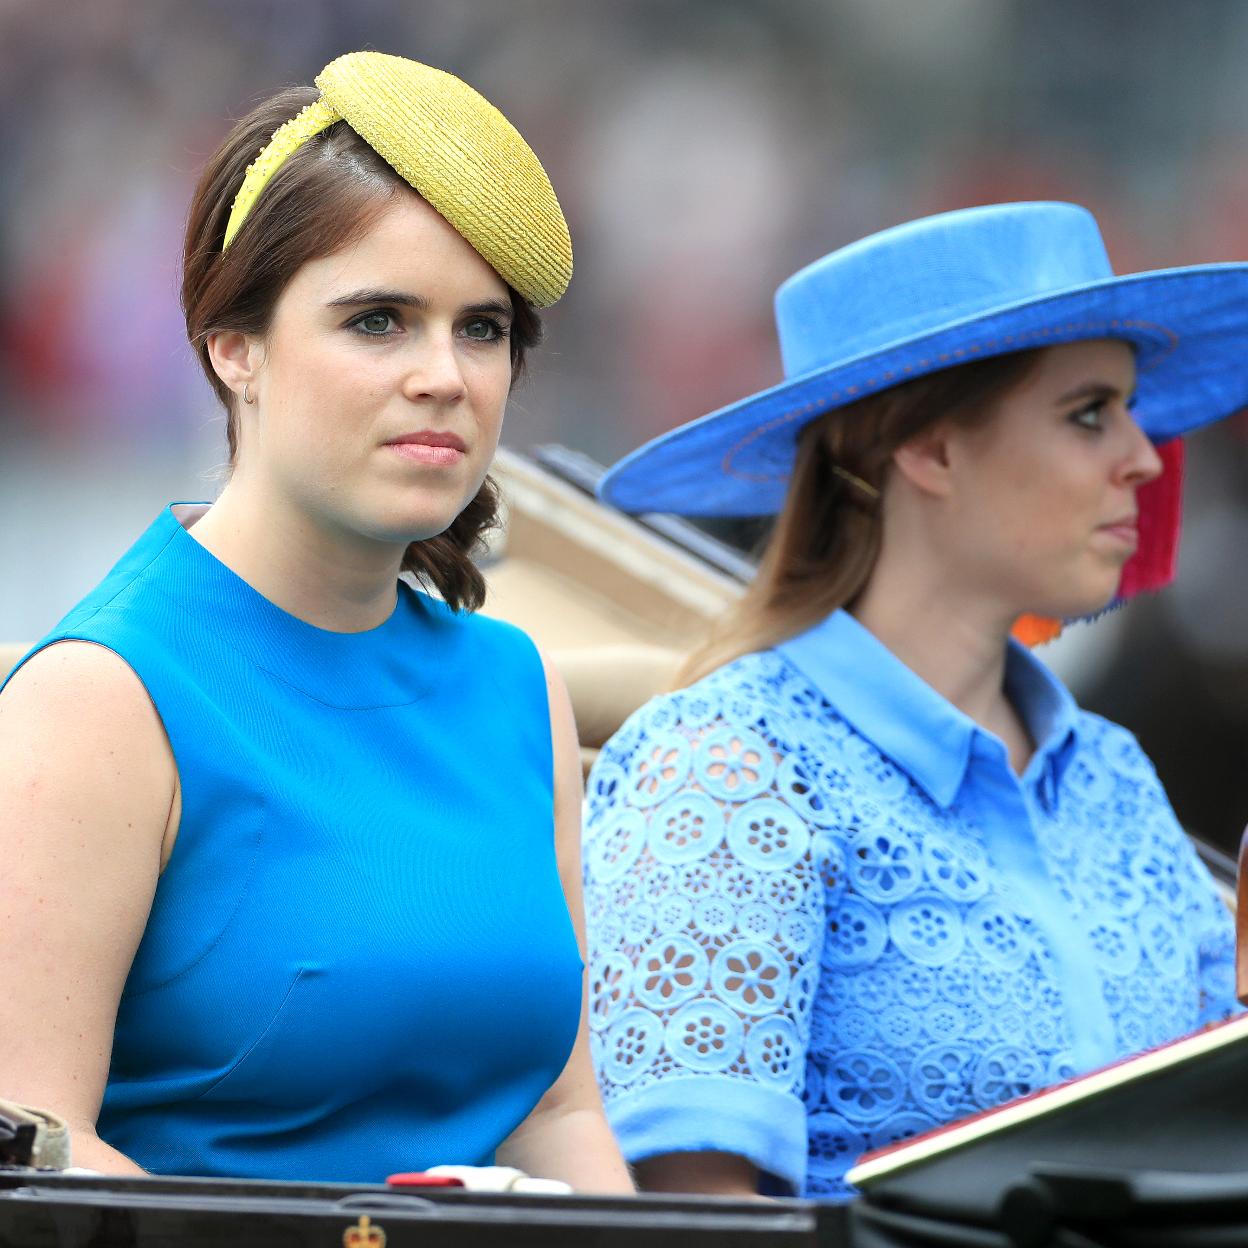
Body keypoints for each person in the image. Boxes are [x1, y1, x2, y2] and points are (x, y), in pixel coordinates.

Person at [0, 50, 631, 1191]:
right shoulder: (98, 696)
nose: (444, 374)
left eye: (481, 329)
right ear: (231, 346)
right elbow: (41, 1157)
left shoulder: (513, 684)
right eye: (379, 321)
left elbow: (556, 1113)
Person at [582, 201, 1248, 1200]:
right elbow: (696, 1212)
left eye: (1129, 408)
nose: (1145, 459)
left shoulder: (1114, 777)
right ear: (929, 450)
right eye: (1087, 413)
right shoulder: (726, 766)